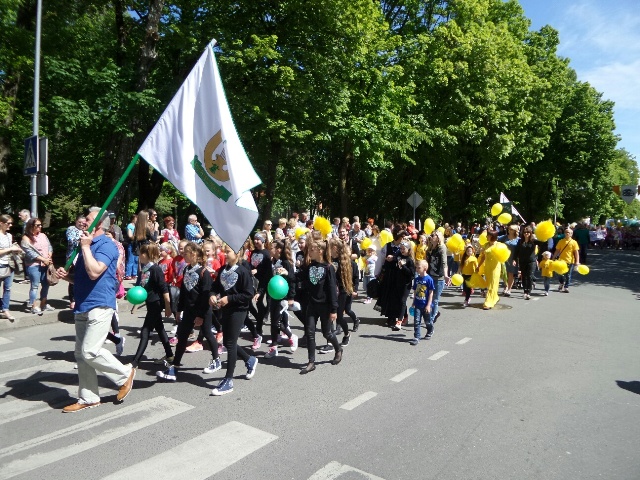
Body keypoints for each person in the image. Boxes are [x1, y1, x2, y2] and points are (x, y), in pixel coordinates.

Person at [56, 207, 136, 413]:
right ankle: (88, 397)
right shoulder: (88, 244)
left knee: (90, 351)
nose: (83, 221)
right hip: (83, 304)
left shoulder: (106, 245)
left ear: (98, 223)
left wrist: (85, 247)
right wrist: (66, 276)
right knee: (81, 355)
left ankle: (124, 374)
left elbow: (94, 272)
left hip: (100, 304)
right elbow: (82, 278)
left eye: (88, 219)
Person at [156, 242, 219, 381]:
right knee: (182, 335)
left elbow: (205, 296)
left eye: (186, 253)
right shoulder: (186, 269)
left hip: (203, 310)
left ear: (194, 254)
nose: (183, 255)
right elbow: (184, 292)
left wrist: (200, 316)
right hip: (189, 310)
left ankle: (216, 359)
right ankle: (175, 366)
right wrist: (179, 310)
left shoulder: (204, 272)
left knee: (208, 334)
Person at [209, 245, 258, 395]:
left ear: (237, 253)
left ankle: (228, 380)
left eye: (228, 251)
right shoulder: (223, 270)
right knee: (228, 342)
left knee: (230, 343)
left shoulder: (243, 271)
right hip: (226, 309)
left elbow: (248, 293)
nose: (224, 254)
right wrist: (212, 295)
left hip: (239, 310)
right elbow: (215, 286)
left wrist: (229, 298)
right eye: (224, 251)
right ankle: (249, 360)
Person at [298, 239, 342, 374]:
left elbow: (332, 289)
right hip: (312, 305)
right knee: (310, 333)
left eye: (312, 249)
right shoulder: (310, 266)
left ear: (320, 251)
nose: (309, 252)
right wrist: (287, 274)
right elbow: (300, 278)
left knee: (327, 333)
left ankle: (338, 349)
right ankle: (311, 362)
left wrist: (334, 310)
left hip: (325, 306)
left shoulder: (328, 268)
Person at [130, 243, 174, 369]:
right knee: (160, 328)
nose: (139, 256)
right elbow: (142, 289)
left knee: (145, 331)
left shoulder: (156, 269)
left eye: (141, 253)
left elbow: (164, 288)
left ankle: (135, 361)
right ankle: (170, 355)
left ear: (146, 254)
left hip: (156, 303)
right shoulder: (144, 269)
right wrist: (135, 305)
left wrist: (168, 307)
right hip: (149, 303)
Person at [21, 218, 54, 314]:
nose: (40, 226)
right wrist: (43, 259)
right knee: (35, 286)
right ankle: (34, 306)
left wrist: (49, 255)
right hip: (33, 265)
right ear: (31, 226)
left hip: (45, 265)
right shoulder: (26, 238)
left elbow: (49, 246)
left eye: (40, 225)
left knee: (46, 284)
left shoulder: (43, 235)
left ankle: (43, 304)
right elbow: (30, 252)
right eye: (38, 225)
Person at [0, 215, 22, 321]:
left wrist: (16, 250)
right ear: (1, 223)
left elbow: (10, 250)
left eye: (11, 223)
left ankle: (5, 309)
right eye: (8, 223)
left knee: (8, 288)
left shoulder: (9, 235)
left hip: (9, 264)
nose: (10, 225)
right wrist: (10, 249)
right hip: (0, 264)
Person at [390, 241, 416, 331]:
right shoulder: (399, 257)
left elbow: (411, 274)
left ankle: (399, 321)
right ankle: (405, 317)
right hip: (398, 282)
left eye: (403, 249)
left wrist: (403, 266)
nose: (402, 250)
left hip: (406, 284)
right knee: (400, 301)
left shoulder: (410, 260)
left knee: (403, 300)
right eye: (400, 249)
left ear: (408, 249)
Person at [409, 260, 435, 345]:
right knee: (416, 321)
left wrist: (428, 305)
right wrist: (413, 302)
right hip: (417, 304)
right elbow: (415, 291)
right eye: (416, 267)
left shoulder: (429, 279)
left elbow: (431, 293)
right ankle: (417, 337)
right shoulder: (416, 279)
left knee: (427, 321)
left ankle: (430, 329)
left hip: (426, 305)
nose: (417, 269)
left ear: (425, 268)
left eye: (419, 268)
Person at [426, 230, 449, 323]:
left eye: (433, 235)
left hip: (439, 278)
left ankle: (431, 320)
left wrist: (446, 275)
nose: (431, 237)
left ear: (438, 237)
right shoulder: (430, 248)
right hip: (430, 276)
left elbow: (444, 263)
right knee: (428, 298)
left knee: (435, 299)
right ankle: (435, 313)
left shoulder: (442, 248)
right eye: (431, 235)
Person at [66, 215, 87, 310]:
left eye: (83, 222)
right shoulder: (71, 229)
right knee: (73, 278)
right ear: (76, 221)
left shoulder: (87, 230)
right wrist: (82, 240)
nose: (82, 224)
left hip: (84, 256)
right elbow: (71, 240)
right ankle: (73, 299)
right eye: (80, 222)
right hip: (73, 257)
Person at [477, 230, 502, 310]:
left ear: (492, 236)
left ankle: (488, 302)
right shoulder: (486, 245)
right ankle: (495, 297)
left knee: (493, 284)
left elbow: (503, 257)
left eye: (487, 235)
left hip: (495, 267)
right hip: (487, 267)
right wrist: (478, 266)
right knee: (489, 284)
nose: (486, 237)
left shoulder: (498, 245)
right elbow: (483, 257)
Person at [552, 227, 580, 293]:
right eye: (565, 232)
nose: (566, 233)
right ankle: (561, 283)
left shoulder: (574, 242)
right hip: (561, 261)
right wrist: (553, 258)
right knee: (559, 273)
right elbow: (557, 250)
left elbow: (576, 252)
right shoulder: (561, 241)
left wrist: (577, 261)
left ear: (571, 234)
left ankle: (566, 287)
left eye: (568, 232)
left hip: (570, 261)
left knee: (568, 275)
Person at [514, 226, 537, 300]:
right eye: (524, 232)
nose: (526, 234)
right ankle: (525, 291)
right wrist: (514, 259)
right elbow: (516, 251)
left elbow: (543, 243)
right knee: (523, 276)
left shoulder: (533, 241)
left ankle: (528, 292)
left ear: (530, 233)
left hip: (531, 261)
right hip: (522, 261)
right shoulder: (520, 241)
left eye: (528, 232)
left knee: (530, 276)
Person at [499, 224, 520, 296]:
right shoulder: (504, 237)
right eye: (509, 229)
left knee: (511, 273)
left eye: (511, 229)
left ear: (515, 231)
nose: (509, 230)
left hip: (513, 258)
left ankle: (509, 289)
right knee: (504, 273)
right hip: (504, 257)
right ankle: (505, 286)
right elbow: (495, 238)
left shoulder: (518, 239)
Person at [124, 214, 138, 280]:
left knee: (136, 260)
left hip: (136, 244)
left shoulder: (137, 226)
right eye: (136, 218)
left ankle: (134, 274)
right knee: (131, 259)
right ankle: (128, 274)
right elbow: (130, 235)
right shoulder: (130, 225)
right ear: (133, 219)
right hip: (131, 243)